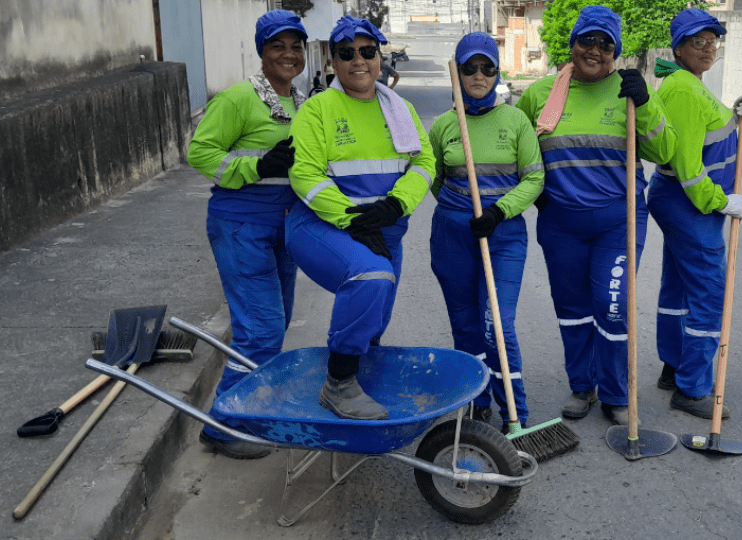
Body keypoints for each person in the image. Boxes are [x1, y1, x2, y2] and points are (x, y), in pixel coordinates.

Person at [515, 5, 677, 426]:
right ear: (572, 44)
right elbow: (520, 156)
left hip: (617, 221)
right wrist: (538, 201)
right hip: (560, 224)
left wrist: (644, 106)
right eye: (588, 39)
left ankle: (615, 393)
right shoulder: (541, 94)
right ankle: (582, 386)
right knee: (572, 309)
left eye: (606, 44)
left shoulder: (630, 91)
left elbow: (664, 152)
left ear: (615, 52)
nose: (596, 49)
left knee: (612, 306)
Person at [285, 15, 434, 420]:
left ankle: (358, 380)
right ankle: (338, 385)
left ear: (379, 56)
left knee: (375, 316)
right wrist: (353, 219)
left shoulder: (398, 108)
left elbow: (424, 161)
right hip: (320, 224)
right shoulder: (319, 109)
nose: (358, 61)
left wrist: (396, 205)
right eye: (346, 53)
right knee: (371, 278)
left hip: (384, 228)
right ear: (333, 60)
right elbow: (305, 175)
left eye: (367, 52)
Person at [186, 10, 308, 458]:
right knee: (262, 329)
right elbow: (199, 152)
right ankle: (224, 425)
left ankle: (255, 411)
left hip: (286, 227)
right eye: (278, 45)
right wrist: (257, 165)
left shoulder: (301, 101)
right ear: (262, 51)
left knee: (272, 327)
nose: (289, 54)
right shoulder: (239, 98)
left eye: (296, 46)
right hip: (241, 224)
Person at [428, 33, 544, 433]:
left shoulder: (516, 121)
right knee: (465, 325)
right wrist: (459, 210)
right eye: (469, 68)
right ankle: (477, 403)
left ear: (497, 71)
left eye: (487, 67)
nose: (478, 75)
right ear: (457, 72)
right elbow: (434, 179)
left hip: (503, 236)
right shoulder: (444, 125)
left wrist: (498, 212)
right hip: (452, 237)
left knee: (498, 325)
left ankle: (517, 414)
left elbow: (534, 179)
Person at [647, 8, 742, 419]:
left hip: (678, 201)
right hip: (689, 203)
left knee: (677, 289)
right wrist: (721, 202)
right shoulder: (685, 91)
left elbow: (707, 135)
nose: (709, 48)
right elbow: (691, 170)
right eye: (698, 42)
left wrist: (736, 115)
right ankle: (692, 388)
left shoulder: (689, 84)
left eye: (713, 41)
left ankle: (673, 368)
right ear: (678, 48)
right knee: (710, 294)